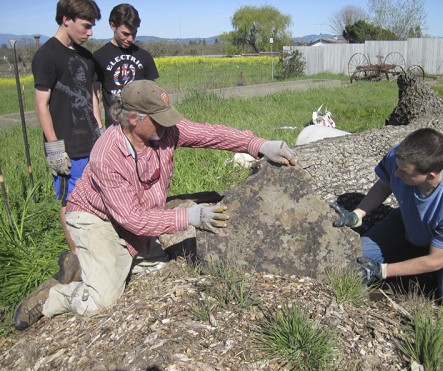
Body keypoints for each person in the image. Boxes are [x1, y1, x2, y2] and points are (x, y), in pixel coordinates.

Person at [13, 80, 296, 330]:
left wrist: (258, 144)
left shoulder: (164, 131)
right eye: (158, 118)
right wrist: (190, 217)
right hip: (96, 218)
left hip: (134, 215)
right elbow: (132, 218)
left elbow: (209, 134)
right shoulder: (107, 155)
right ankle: (53, 295)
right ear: (133, 118)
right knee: (101, 301)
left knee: (156, 268)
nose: (167, 123)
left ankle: (88, 262)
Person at [332, 128, 443, 310]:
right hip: (409, 216)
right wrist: (358, 214)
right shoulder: (401, 157)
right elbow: (384, 184)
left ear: (430, 175)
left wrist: (383, 271)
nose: (397, 173)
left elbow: (436, 260)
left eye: (404, 172)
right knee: (357, 256)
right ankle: (418, 252)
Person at [31, 0, 104, 282]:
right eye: (85, 26)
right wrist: (54, 148)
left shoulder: (86, 57)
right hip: (67, 149)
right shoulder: (46, 56)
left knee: (98, 198)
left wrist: (99, 129)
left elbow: (93, 96)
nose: (90, 33)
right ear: (66, 20)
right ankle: (79, 259)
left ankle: (99, 248)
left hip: (91, 143)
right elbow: (41, 104)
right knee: (70, 203)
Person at [93, 3, 159, 127]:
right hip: (114, 127)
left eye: (134, 34)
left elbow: (152, 93)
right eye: (125, 34)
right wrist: (99, 126)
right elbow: (94, 95)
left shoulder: (144, 56)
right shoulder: (99, 56)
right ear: (113, 26)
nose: (130, 39)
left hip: (141, 128)